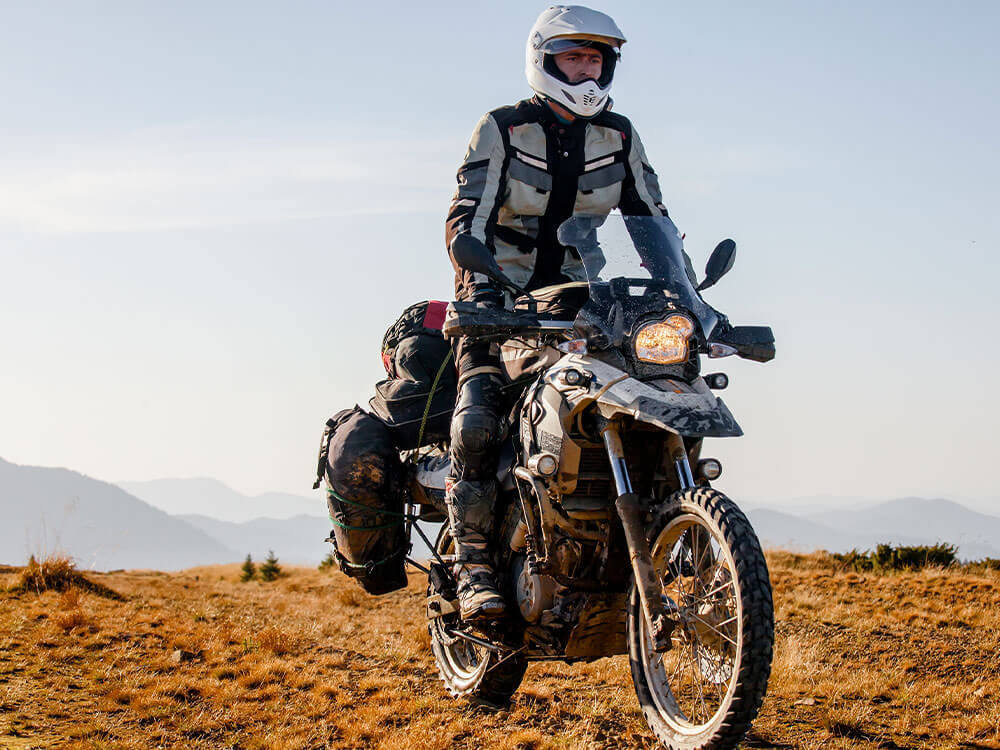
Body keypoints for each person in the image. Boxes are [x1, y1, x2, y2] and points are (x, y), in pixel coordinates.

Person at [444, 5, 675, 620]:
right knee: (477, 417)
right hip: (497, 294)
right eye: (574, 57)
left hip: (584, 300)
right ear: (544, 61)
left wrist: (681, 294)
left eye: (596, 58)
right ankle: (472, 564)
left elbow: (652, 219)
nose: (586, 70)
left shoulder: (619, 136)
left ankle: (669, 539)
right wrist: (481, 291)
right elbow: (466, 218)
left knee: (658, 388)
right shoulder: (503, 128)